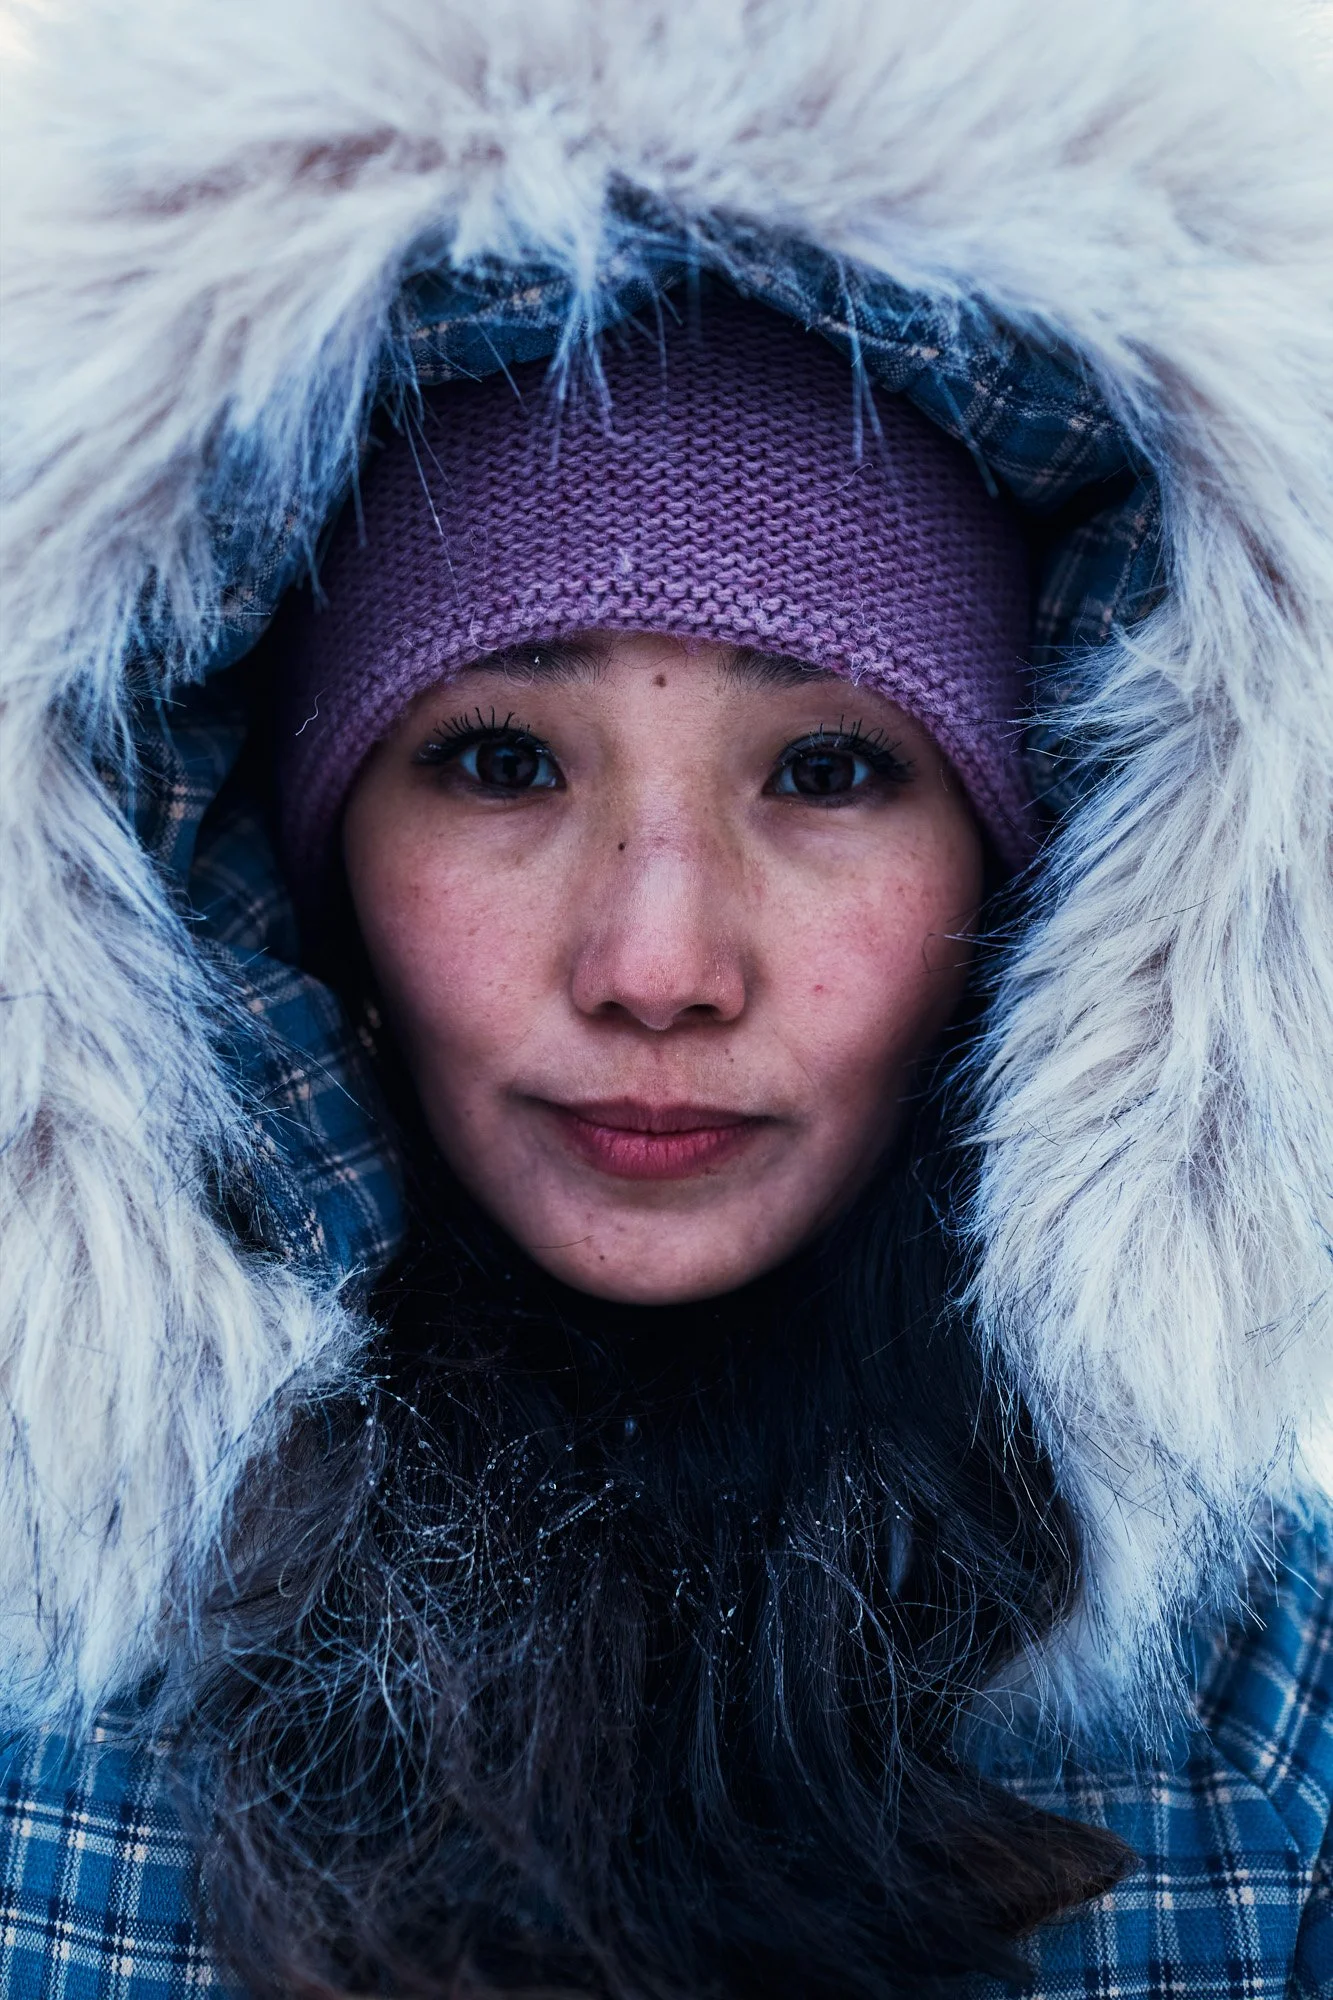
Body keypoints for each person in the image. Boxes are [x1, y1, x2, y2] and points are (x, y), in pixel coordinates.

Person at [0, 5, 1329, 1998]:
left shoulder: (1270, 1716)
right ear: (293, 858)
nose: (657, 966)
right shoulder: (47, 1708)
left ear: (1052, 868)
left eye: (830, 771)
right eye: (500, 762)